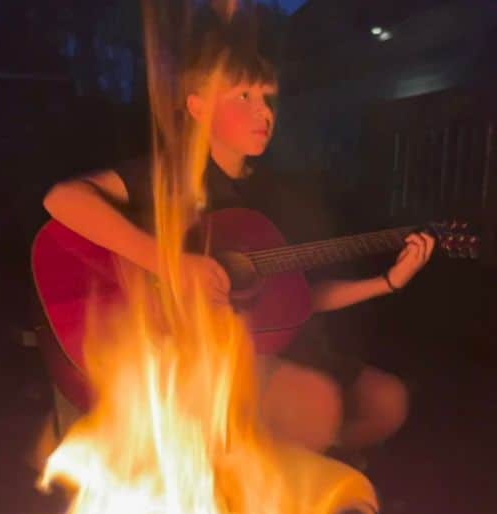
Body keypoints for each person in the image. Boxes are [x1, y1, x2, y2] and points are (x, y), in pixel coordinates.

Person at [43, 37, 435, 457]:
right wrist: (170, 262)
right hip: (192, 353)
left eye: (268, 99)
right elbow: (62, 199)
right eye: (244, 96)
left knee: (387, 401)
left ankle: (291, 479)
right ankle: (260, 483)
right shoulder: (169, 179)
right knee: (317, 404)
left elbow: (296, 298)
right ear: (198, 108)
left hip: (274, 343)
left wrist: (387, 282)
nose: (263, 112)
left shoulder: (279, 194)